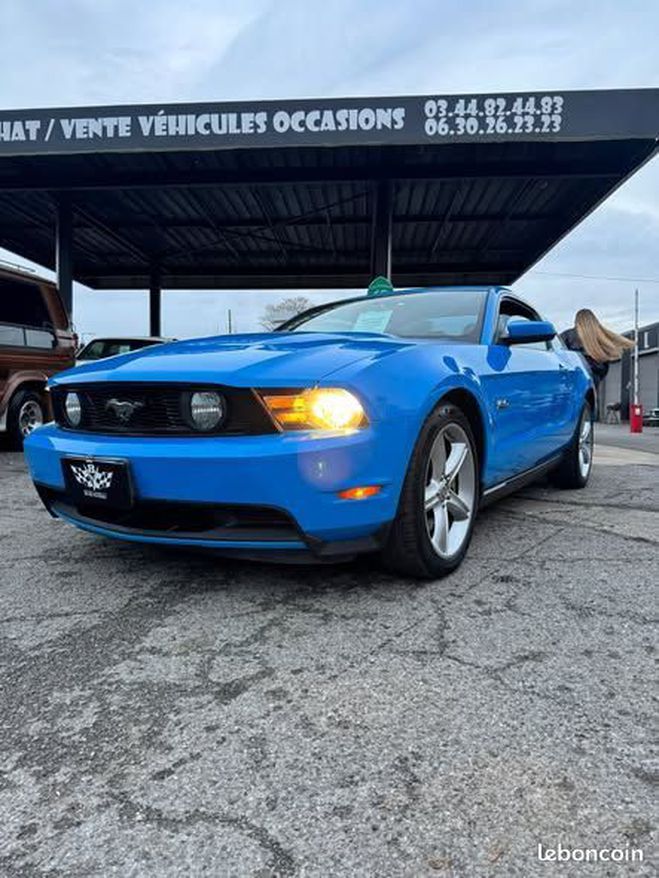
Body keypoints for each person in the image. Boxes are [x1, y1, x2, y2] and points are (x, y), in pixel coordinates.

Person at [560, 308, 635, 389]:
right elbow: (604, 368)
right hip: (593, 381)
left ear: (576, 322)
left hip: (572, 382)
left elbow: (558, 357)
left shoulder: (566, 336)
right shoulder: (601, 338)